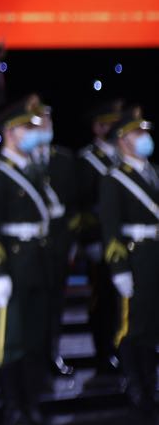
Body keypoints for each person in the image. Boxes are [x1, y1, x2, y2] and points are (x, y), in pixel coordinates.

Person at [0, 97, 56, 425]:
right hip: (13, 264)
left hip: (37, 261)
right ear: (10, 132)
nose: (32, 133)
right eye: (26, 127)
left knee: (36, 337)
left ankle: (33, 403)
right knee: (12, 340)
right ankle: (14, 408)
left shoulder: (34, 170)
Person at [100, 106, 159, 412]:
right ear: (123, 139)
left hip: (154, 255)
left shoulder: (154, 172)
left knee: (152, 322)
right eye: (138, 133)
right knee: (132, 325)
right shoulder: (114, 179)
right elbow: (110, 229)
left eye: (145, 131)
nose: (144, 137)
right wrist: (119, 267)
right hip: (134, 258)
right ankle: (135, 384)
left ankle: (151, 381)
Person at [79, 99, 127, 376]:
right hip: (101, 239)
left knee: (124, 300)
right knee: (103, 300)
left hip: (123, 238)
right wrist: (90, 241)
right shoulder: (88, 161)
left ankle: (122, 347)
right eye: (110, 124)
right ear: (98, 128)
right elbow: (83, 205)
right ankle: (103, 352)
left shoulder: (123, 158)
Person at [35, 103, 78, 377]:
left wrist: (68, 243)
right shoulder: (22, 163)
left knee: (55, 304)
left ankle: (52, 353)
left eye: (47, 122)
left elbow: (73, 205)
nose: (44, 128)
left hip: (58, 245)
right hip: (29, 248)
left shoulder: (63, 159)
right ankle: (33, 360)